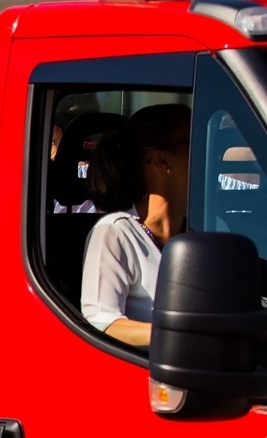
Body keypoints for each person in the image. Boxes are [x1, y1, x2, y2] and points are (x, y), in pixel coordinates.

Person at [79, 103, 191, 347]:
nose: (208, 150)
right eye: (193, 141)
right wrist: (182, 335)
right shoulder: (115, 232)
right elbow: (101, 323)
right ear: (161, 160)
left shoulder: (204, 229)